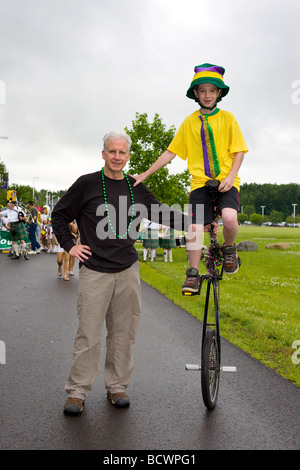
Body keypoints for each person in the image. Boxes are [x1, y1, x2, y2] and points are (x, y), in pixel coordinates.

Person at [51, 131, 187, 416]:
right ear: (103, 154)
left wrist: (196, 222)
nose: (117, 157)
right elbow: (59, 215)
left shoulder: (136, 186)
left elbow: (162, 213)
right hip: (95, 272)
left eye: (122, 153)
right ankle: (77, 393)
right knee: (88, 334)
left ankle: (117, 387)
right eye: (112, 151)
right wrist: (70, 246)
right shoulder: (86, 184)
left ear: (128, 156)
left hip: (127, 270)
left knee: (124, 334)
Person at [133, 62, 248, 294]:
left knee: (228, 217)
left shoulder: (228, 118)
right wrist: (145, 174)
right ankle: (193, 274)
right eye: (202, 90)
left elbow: (239, 151)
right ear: (195, 93)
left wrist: (231, 176)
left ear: (219, 93)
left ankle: (229, 249)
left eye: (212, 91)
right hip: (200, 184)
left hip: (227, 181)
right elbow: (170, 152)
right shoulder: (188, 122)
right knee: (194, 228)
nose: (207, 95)